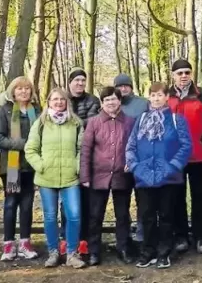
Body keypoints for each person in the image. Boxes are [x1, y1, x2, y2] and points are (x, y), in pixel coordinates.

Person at [126, 82, 192, 270]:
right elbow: (131, 146)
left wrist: (172, 167)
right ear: (149, 98)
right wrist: (136, 167)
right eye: (152, 95)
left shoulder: (175, 119)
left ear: (166, 97)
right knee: (146, 216)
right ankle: (148, 252)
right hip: (144, 177)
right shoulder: (141, 120)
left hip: (168, 177)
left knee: (166, 216)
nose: (156, 99)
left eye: (159, 95)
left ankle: (164, 253)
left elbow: (185, 146)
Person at [24, 88, 86, 269]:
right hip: (46, 178)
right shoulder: (41, 123)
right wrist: (41, 166)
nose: (59, 102)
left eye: (62, 99)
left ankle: (72, 253)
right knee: (50, 217)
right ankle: (53, 252)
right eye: (55, 99)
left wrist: (77, 167)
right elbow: (30, 149)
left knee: (74, 215)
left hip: (70, 178)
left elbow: (81, 149)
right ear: (49, 102)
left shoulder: (75, 123)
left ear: (67, 102)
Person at [80, 87, 136, 266]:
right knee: (95, 215)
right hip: (98, 175)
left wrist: (132, 163)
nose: (111, 103)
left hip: (122, 175)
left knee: (122, 215)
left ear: (119, 101)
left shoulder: (129, 122)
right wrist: (85, 175)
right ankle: (94, 251)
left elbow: (134, 145)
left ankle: (123, 248)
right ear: (102, 103)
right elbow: (86, 150)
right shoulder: (94, 123)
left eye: (114, 99)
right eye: (107, 100)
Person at [168, 59, 202, 254]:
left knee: (200, 197)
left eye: (187, 72)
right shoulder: (166, 95)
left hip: (199, 155)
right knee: (177, 197)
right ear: (173, 75)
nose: (184, 76)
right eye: (179, 73)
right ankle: (180, 235)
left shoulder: (201, 94)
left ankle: (201, 236)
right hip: (175, 158)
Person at [0, 76, 40, 261]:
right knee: (11, 204)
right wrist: (19, 144)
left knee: (27, 205)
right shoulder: (4, 110)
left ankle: (25, 243)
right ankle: (9, 245)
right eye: (19, 88)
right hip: (12, 166)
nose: (23, 91)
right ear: (13, 91)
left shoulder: (36, 111)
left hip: (30, 165)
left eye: (27, 88)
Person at [114, 73, 150, 244]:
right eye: (120, 86)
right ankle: (125, 236)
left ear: (131, 87)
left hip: (141, 160)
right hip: (120, 162)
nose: (123, 89)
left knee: (143, 200)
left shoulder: (143, 104)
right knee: (122, 202)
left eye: (126, 85)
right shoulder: (112, 105)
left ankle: (142, 233)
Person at [67, 68, 99, 255]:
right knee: (68, 203)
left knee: (88, 201)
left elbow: (92, 123)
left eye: (82, 80)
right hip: (66, 157)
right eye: (76, 80)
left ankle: (85, 241)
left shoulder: (92, 101)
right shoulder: (63, 99)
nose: (80, 83)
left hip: (88, 157)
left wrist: (70, 122)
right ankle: (69, 240)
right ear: (70, 82)